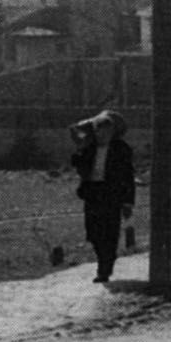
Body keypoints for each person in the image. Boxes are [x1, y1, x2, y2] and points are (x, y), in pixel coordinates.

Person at [70, 110, 135, 283]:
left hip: (112, 193)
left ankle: (104, 269)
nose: (102, 135)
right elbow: (77, 163)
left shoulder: (121, 149)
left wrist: (128, 201)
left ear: (113, 133)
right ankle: (104, 259)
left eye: (107, 131)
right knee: (93, 232)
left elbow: (128, 176)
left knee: (110, 232)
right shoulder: (89, 147)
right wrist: (80, 146)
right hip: (93, 192)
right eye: (99, 130)